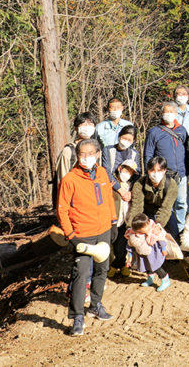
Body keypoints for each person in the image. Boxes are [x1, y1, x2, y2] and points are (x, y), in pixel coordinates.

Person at [56, 138, 116, 336]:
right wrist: (71, 235)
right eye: (83, 154)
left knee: (102, 269)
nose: (87, 158)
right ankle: (77, 317)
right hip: (82, 233)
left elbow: (108, 197)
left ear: (98, 154)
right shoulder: (70, 180)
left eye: (91, 154)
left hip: (104, 230)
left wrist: (113, 222)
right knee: (80, 274)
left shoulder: (102, 173)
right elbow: (62, 210)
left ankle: (96, 305)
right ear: (77, 156)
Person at [144, 102, 189, 232]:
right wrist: (151, 173)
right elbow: (148, 154)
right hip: (163, 175)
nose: (168, 114)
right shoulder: (154, 132)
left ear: (176, 114)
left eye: (171, 111)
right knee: (165, 205)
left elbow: (186, 151)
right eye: (166, 111)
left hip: (181, 173)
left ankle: (180, 231)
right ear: (161, 114)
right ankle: (166, 230)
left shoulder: (182, 130)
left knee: (181, 203)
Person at [129, 156, 179, 237]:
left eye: (159, 170)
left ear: (165, 170)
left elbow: (166, 208)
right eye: (152, 170)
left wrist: (159, 224)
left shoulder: (171, 184)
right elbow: (136, 207)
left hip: (164, 211)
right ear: (148, 171)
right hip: (147, 211)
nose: (155, 173)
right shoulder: (139, 184)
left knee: (174, 233)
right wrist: (131, 227)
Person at [54, 112, 99, 200]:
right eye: (83, 124)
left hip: (93, 199)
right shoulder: (68, 151)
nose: (87, 127)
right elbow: (62, 180)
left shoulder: (97, 150)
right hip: (75, 200)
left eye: (90, 124)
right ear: (76, 128)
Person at [108, 158, 139, 278]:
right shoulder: (113, 183)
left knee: (122, 245)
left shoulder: (132, 186)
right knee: (113, 244)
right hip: (114, 218)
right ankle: (113, 265)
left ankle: (120, 265)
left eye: (131, 172)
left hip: (126, 219)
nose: (128, 174)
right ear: (120, 168)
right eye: (126, 170)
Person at [125, 212, 171, 292]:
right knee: (147, 266)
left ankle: (165, 279)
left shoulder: (153, 231)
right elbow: (130, 246)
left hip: (154, 254)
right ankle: (150, 278)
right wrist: (130, 258)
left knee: (156, 267)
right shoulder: (133, 236)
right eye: (145, 226)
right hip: (143, 255)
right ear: (139, 229)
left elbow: (160, 238)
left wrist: (163, 249)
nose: (149, 227)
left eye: (148, 224)